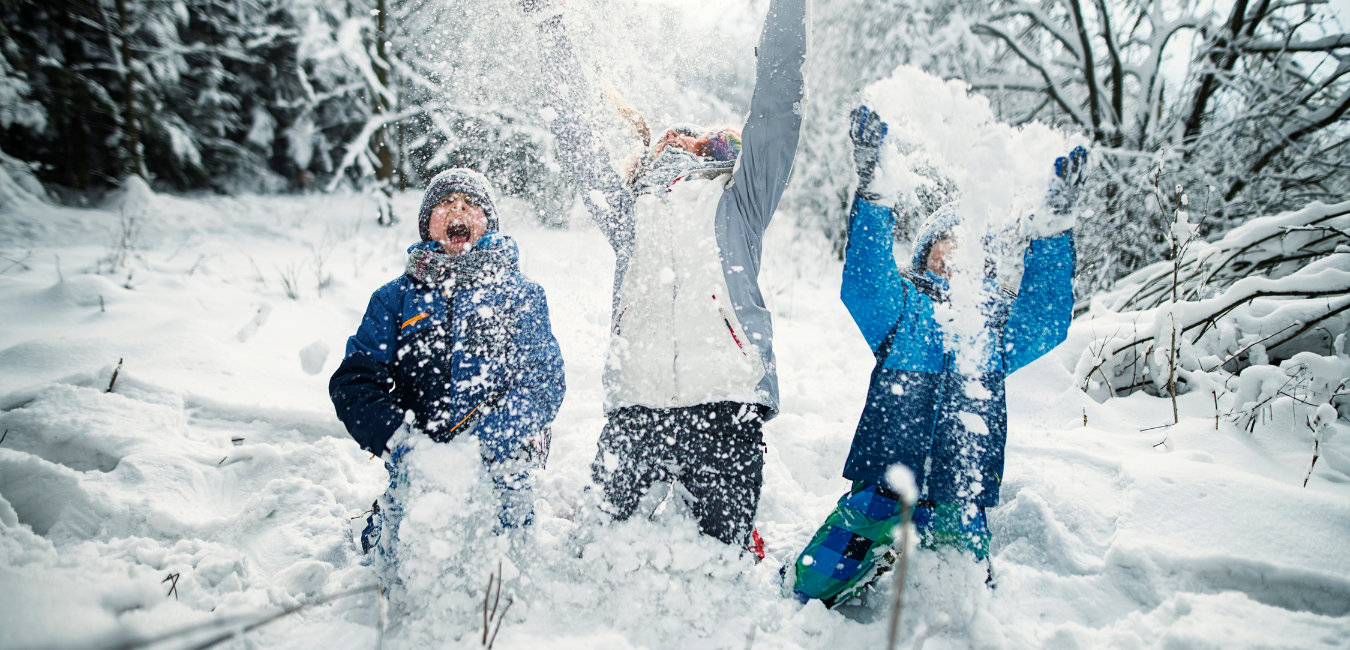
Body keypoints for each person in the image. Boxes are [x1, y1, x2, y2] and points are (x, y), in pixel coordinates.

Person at [518, 0, 807, 550]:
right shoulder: (629, 213)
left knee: (719, 565)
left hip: (725, 403)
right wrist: (548, 27)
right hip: (637, 406)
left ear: (715, 150)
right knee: (595, 552)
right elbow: (577, 138)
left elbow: (775, 111)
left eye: (693, 137)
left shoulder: (740, 202)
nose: (678, 140)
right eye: (668, 138)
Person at [787, 106, 1086, 606]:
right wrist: (875, 197)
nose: (957, 252)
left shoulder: (996, 324)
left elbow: (1047, 318)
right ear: (926, 251)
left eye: (969, 245)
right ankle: (872, 557)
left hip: (960, 489)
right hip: (886, 481)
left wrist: (1052, 231)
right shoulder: (903, 308)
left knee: (961, 601)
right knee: (813, 583)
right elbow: (863, 285)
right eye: (946, 241)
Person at [328, 168, 566, 571]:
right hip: (419, 458)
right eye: (445, 203)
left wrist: (491, 441)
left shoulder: (521, 294)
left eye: (471, 204)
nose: (458, 208)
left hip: (501, 455)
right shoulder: (394, 299)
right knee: (405, 563)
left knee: (504, 564)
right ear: (427, 225)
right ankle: (386, 516)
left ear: (487, 224)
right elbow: (355, 382)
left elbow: (543, 381)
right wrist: (402, 443)